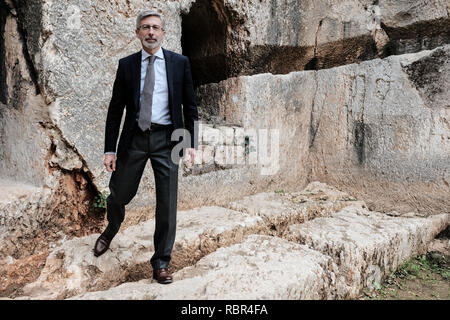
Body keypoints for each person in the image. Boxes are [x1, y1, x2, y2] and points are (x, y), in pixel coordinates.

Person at [93, 10, 198, 285]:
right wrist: (109, 149)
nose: (151, 32)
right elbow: (115, 110)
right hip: (135, 139)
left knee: (167, 203)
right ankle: (111, 229)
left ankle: (161, 262)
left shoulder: (179, 63)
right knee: (118, 193)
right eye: (145, 28)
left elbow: (190, 106)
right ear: (137, 33)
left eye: (155, 28)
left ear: (163, 33)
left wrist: (192, 143)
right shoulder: (126, 65)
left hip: (168, 140)